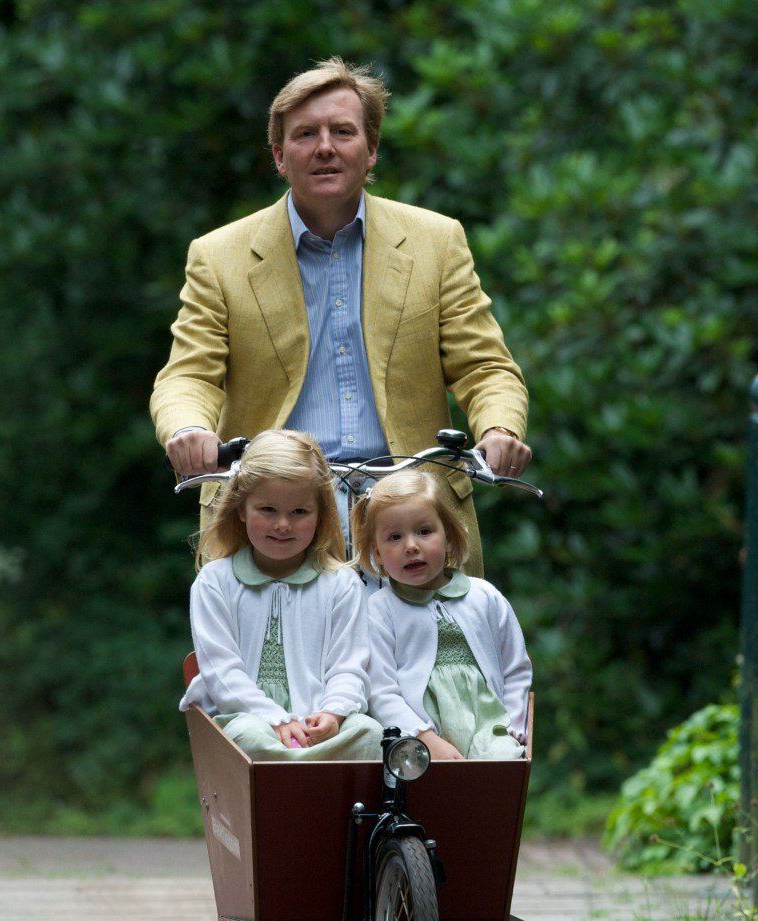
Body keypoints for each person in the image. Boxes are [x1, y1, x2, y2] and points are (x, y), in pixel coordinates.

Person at [150, 57, 532, 573]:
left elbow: (485, 367)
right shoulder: (219, 256)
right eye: (305, 134)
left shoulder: (436, 241)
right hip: (277, 517)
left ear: (371, 150)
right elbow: (189, 373)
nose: (325, 146)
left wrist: (499, 430)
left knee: (434, 656)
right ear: (280, 156)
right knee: (269, 657)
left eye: (343, 131)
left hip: (408, 514)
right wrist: (188, 429)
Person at [180, 429, 382, 761]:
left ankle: (308, 773)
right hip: (247, 718)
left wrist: (333, 713)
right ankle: (295, 780)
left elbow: (349, 666)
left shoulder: (341, 583)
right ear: (242, 509)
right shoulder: (215, 582)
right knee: (245, 738)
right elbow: (222, 672)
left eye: (299, 512)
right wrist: (275, 718)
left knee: (370, 735)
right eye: (268, 510)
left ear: (320, 515)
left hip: (320, 724)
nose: (283, 525)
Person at [351, 472, 532, 761]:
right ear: (378, 554)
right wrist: (424, 738)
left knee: (499, 775)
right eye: (394, 537)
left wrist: (512, 724)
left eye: (424, 531)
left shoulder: (483, 596)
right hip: (420, 735)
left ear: (448, 537)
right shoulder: (379, 610)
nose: (411, 546)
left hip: (491, 727)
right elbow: (381, 690)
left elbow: (516, 668)